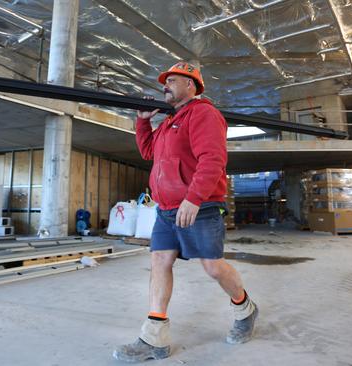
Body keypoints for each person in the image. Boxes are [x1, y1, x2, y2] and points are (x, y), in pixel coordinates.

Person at [113, 62, 258, 362]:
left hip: (200, 207)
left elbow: (213, 159)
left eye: (172, 80)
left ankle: (245, 308)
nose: (164, 85)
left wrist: (193, 198)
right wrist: (143, 122)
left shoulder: (204, 114)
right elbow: (149, 153)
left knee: (213, 267)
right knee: (159, 260)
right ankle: (155, 337)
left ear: (190, 85)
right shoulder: (169, 121)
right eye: (165, 81)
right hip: (166, 209)